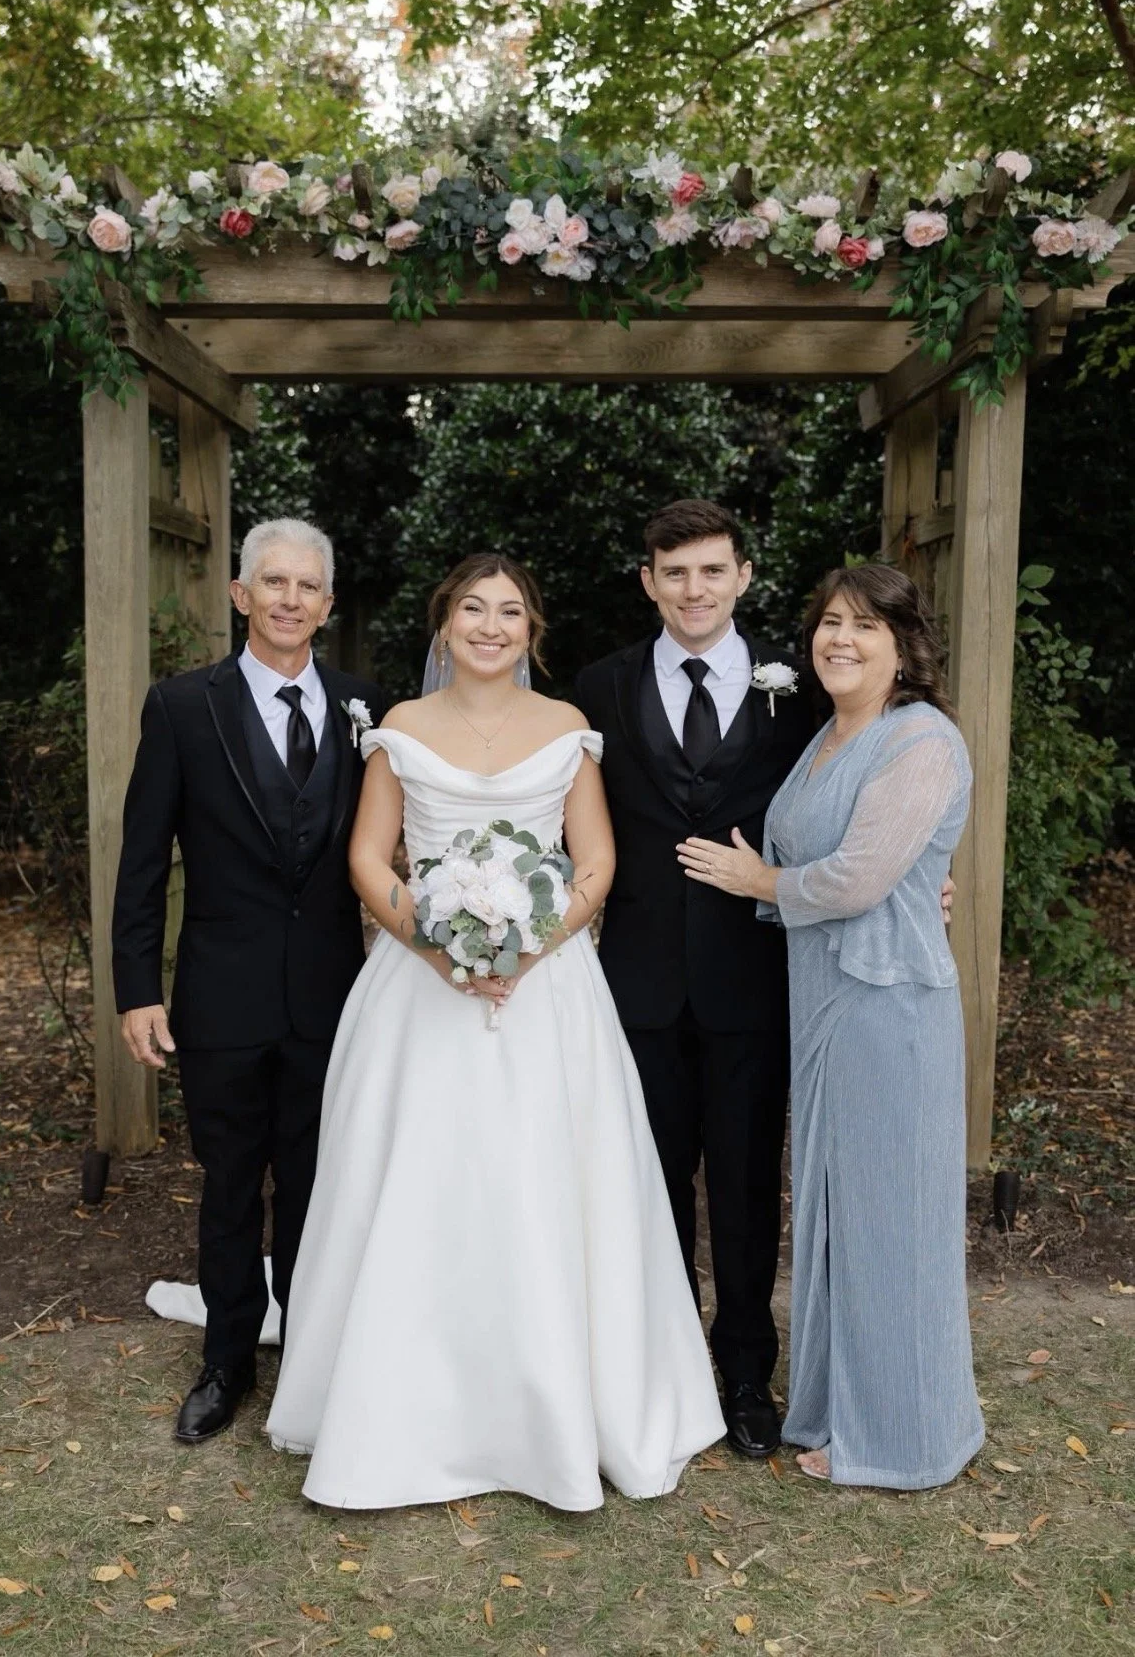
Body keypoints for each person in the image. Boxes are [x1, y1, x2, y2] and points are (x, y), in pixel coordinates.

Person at [265, 553, 724, 1510]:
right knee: (422, 1181)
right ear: (445, 626)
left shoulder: (567, 730)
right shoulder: (399, 728)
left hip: (548, 990)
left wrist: (525, 949)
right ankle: (404, 1405)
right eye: (472, 608)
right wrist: (437, 947)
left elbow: (594, 861)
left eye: (510, 610)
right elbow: (367, 853)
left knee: (542, 1180)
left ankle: (556, 1402)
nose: (490, 625)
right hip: (420, 986)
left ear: (531, 630)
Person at [678, 563, 984, 1489]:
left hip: (889, 1008)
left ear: (905, 646)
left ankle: (904, 1437)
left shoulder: (920, 739)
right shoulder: (823, 738)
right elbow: (863, 859)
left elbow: (854, 878)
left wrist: (757, 883)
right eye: (829, 624)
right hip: (820, 1003)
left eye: (865, 626)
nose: (840, 640)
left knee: (891, 1220)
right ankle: (836, 1410)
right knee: (834, 1216)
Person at [113, 518, 384, 1445]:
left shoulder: (363, 704)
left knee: (316, 1180)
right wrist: (135, 988)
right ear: (241, 595)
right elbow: (143, 859)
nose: (290, 599)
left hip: (330, 993)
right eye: (273, 583)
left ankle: (308, 1354)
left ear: (328, 604)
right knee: (230, 1181)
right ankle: (226, 1358)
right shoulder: (183, 706)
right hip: (220, 994)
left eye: (308, 586)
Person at [575, 501, 814, 1459]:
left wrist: (921, 877)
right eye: (674, 573)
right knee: (652, 1185)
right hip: (637, 986)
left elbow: (845, 804)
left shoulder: (796, 694)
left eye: (712, 571)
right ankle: (668, 1370)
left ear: (744, 576)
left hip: (753, 980)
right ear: (648, 581)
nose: (694, 590)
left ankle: (747, 1372)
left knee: (751, 1188)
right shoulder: (598, 686)